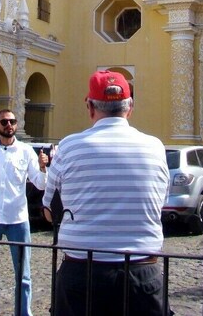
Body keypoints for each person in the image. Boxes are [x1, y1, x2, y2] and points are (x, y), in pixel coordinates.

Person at [42, 70, 170, 316]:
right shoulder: (155, 147)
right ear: (130, 107)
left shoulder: (69, 147)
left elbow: (50, 211)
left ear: (89, 106)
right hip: (141, 273)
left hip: (83, 272)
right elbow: (159, 204)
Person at [0, 109, 48, 316]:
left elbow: (40, 183)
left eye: (12, 121)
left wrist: (43, 168)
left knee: (23, 275)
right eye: (4, 121)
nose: (9, 125)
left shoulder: (26, 151)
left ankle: (24, 313)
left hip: (18, 218)